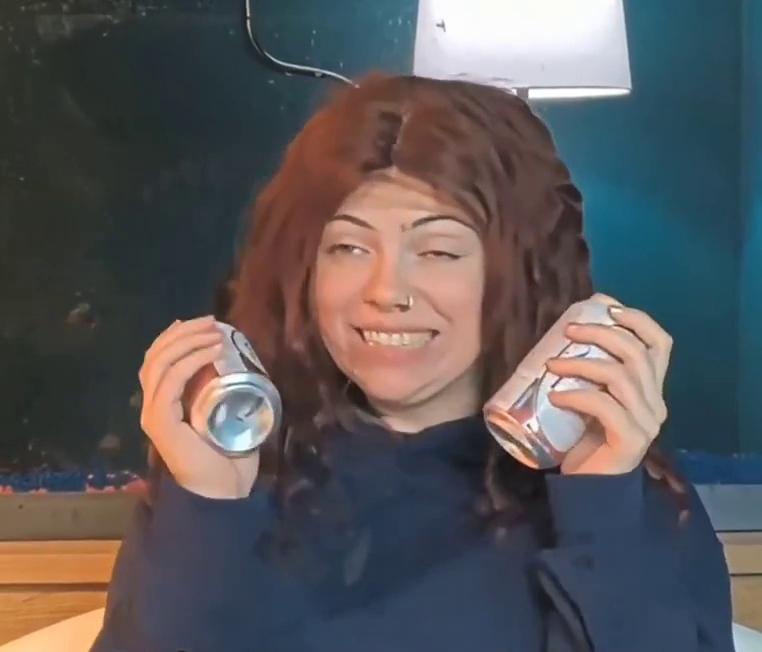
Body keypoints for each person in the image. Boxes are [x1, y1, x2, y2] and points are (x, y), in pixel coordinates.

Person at [91, 74, 734, 652]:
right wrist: (207, 511)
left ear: (520, 274)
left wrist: (600, 505)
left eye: (439, 252)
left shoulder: (625, 495)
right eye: (348, 248)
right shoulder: (231, 477)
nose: (386, 292)